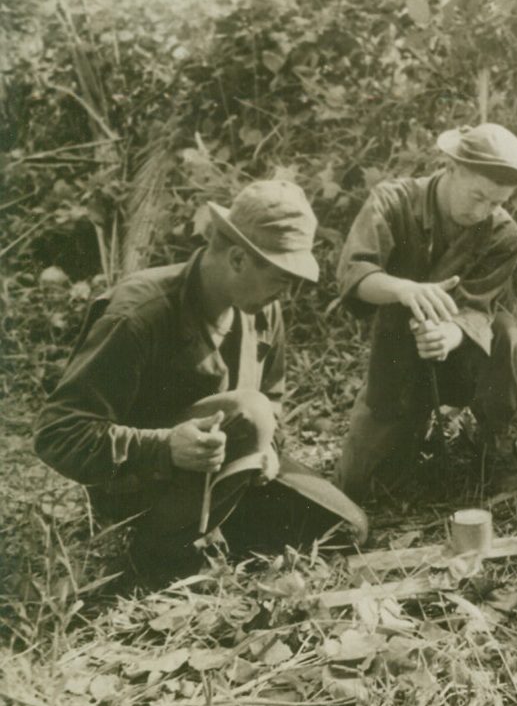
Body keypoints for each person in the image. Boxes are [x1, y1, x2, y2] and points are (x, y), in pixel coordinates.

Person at [34, 180, 368, 580]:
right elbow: (56, 433)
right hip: (145, 489)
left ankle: (215, 535)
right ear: (239, 259)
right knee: (248, 412)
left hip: (231, 474)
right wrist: (164, 446)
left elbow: (272, 399)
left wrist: (269, 449)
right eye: (282, 278)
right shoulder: (139, 315)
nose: (287, 293)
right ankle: (160, 554)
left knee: (346, 529)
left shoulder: (263, 311)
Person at [335, 123, 517, 501]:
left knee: (506, 335)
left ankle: (499, 444)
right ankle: (408, 431)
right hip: (398, 351)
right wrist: (404, 289)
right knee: (362, 487)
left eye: (496, 203)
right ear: (451, 167)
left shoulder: (503, 234)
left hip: (465, 354)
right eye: (477, 195)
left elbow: (480, 305)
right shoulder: (393, 201)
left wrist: (454, 333)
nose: (483, 211)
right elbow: (355, 275)